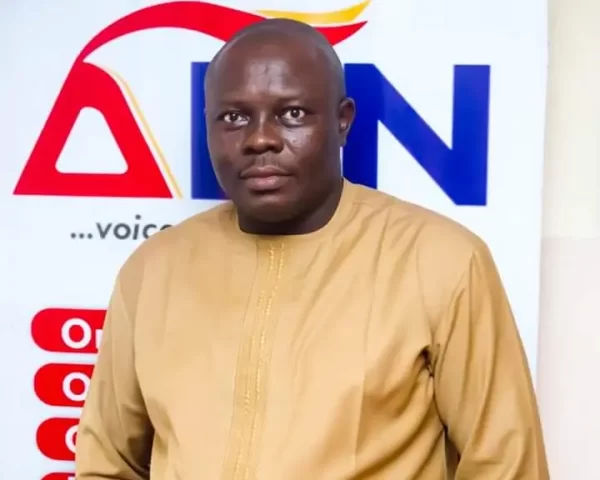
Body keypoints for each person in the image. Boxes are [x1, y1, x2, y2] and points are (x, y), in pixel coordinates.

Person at [75, 18, 549, 479]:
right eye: (234, 117)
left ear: (343, 122)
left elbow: (506, 466)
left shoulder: (440, 261)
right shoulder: (154, 270)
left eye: (293, 114)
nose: (260, 139)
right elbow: (106, 465)